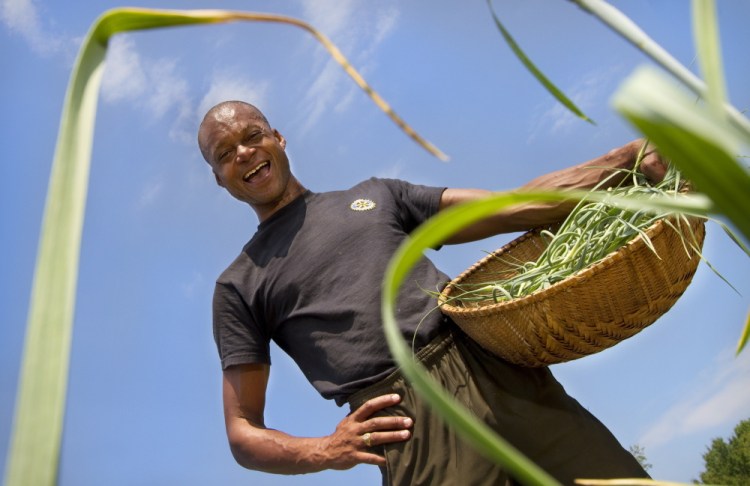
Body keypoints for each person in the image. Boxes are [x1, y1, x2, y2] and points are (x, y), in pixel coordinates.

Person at [197, 100, 662, 485]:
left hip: (496, 371)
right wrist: (324, 449)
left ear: (278, 138)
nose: (242, 152)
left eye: (252, 135)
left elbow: (514, 207)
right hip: (409, 425)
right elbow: (242, 432)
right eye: (223, 154)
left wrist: (625, 161)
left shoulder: (379, 196)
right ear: (219, 179)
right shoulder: (239, 285)